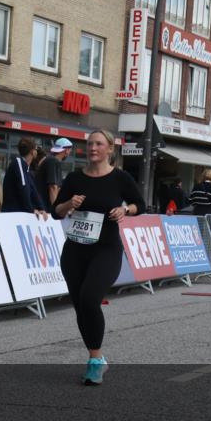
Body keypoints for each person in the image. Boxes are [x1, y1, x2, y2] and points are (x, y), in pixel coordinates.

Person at [53, 129, 145, 386]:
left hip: (106, 249)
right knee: (80, 306)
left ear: (109, 149)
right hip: (75, 250)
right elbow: (56, 211)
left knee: (90, 298)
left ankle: (95, 361)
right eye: (90, 143)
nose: (93, 148)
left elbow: (140, 204)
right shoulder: (74, 178)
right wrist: (69, 204)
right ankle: (97, 358)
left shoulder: (120, 178)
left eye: (99, 144)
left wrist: (125, 209)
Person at [1, 138, 47, 216]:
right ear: (32, 151)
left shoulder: (26, 168)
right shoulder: (18, 162)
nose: (37, 152)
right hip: (12, 214)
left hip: (19, 213)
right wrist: (31, 209)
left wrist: (41, 208)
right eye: (36, 149)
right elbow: (23, 187)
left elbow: (33, 190)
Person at [35, 137, 72, 211]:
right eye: (70, 150)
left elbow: (57, 188)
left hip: (42, 208)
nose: (69, 153)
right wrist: (55, 210)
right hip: (43, 209)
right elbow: (53, 187)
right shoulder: (53, 161)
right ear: (66, 150)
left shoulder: (51, 160)